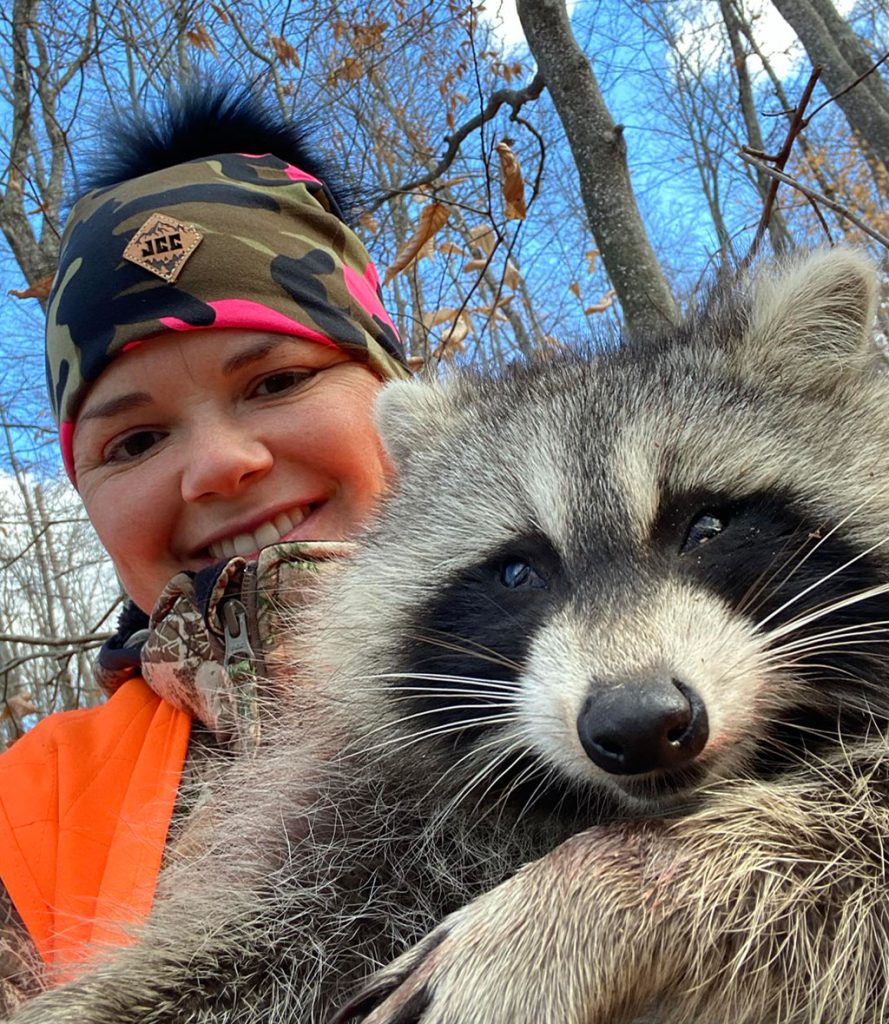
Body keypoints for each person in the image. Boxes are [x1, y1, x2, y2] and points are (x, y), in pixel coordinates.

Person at [0, 84, 409, 1012]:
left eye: (276, 381)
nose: (217, 467)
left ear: (396, 394)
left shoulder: (635, 631)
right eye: (134, 443)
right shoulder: (27, 809)